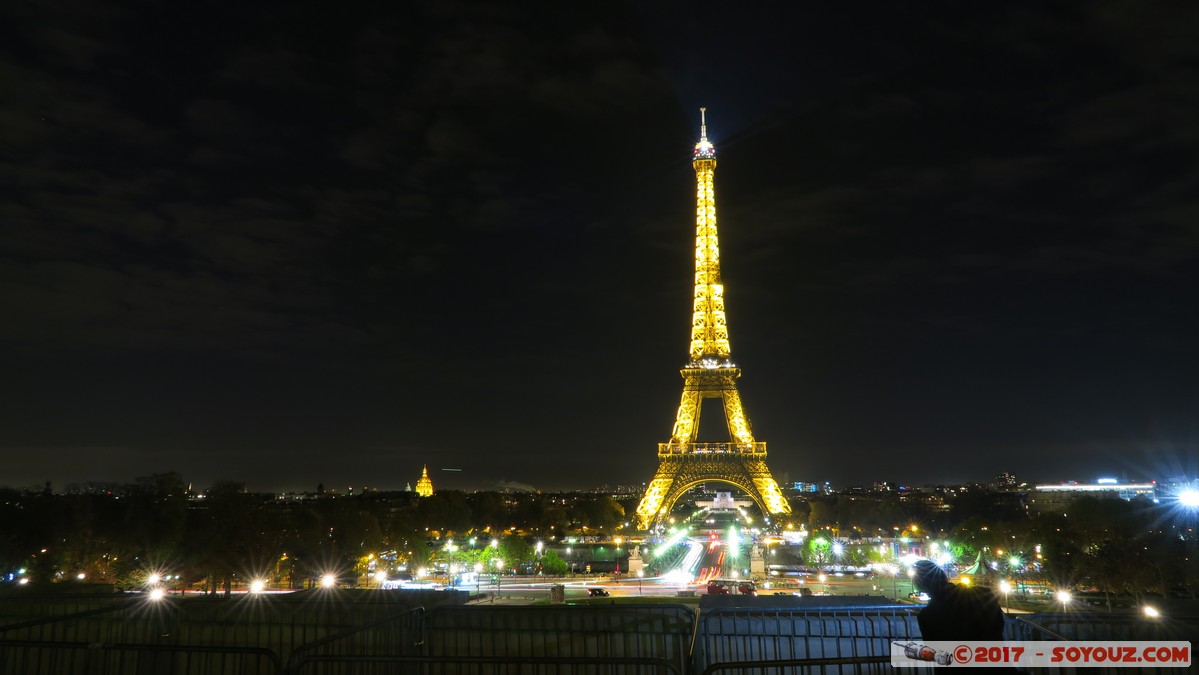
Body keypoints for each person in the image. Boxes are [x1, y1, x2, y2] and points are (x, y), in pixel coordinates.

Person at [911, 559, 1004, 641]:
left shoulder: (927, 616)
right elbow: (998, 626)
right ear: (943, 575)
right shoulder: (983, 593)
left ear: (921, 586)